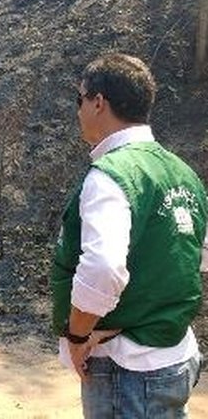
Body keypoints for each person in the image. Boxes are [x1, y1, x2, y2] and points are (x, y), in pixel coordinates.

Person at [51, 53, 208, 418]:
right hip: (173, 358)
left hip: (128, 372)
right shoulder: (180, 171)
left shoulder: (111, 175)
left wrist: (76, 336)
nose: (78, 112)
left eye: (80, 101)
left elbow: (103, 269)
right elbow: (198, 255)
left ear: (98, 102)